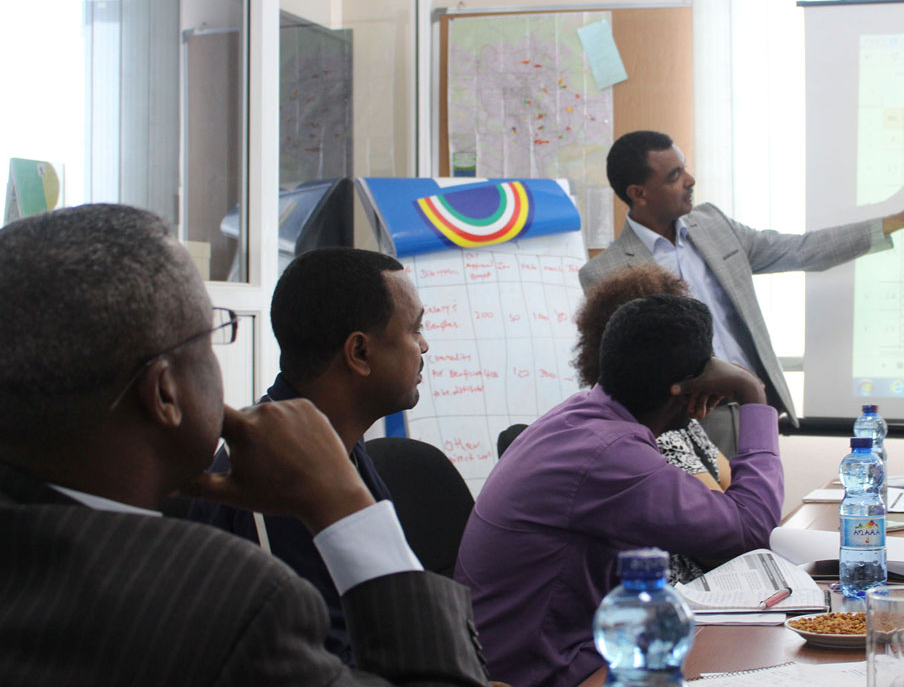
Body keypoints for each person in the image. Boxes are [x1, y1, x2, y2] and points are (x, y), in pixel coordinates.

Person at [0, 204, 490, 686]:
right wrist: (347, 508)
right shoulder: (240, 606)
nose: (424, 346)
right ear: (165, 393)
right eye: (213, 335)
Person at [455, 294, 784, 687]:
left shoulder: (582, 416)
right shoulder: (610, 455)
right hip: (546, 672)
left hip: (539, 651)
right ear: (690, 386)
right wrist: (752, 393)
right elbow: (751, 531)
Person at [580, 129, 904, 438]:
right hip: (683, 425)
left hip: (755, 409)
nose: (691, 181)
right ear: (638, 193)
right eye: (675, 176)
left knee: (764, 524)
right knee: (710, 528)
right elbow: (627, 373)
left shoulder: (715, 226)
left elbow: (802, 249)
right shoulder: (607, 273)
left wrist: (893, 222)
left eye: (685, 168)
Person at [188, 246, 428, 665]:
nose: (424, 346)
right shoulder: (270, 477)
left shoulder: (336, 443)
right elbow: (326, 664)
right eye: (414, 330)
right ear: (360, 353)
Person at [572, 264, 732, 585]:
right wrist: (751, 392)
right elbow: (732, 534)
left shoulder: (672, 414)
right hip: (668, 601)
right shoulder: (648, 433)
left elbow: (727, 479)